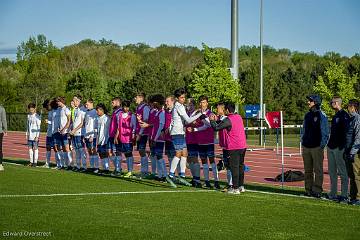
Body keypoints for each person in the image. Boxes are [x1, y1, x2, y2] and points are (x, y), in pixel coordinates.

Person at [167, 88, 202, 187]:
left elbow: (186, 121)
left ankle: (182, 175)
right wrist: (200, 113)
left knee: (185, 153)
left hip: (180, 132)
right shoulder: (179, 106)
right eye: (181, 97)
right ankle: (170, 174)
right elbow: (188, 120)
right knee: (178, 153)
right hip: (177, 132)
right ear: (177, 98)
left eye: (184, 97)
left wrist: (195, 113)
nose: (183, 99)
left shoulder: (180, 106)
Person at [209, 102, 247, 194]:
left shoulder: (229, 119)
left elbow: (216, 128)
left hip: (233, 147)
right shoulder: (238, 117)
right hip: (242, 145)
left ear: (226, 110)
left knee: (234, 167)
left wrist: (211, 120)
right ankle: (241, 186)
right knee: (240, 166)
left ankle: (235, 188)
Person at [301, 95, 329, 198]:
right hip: (306, 146)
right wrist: (303, 141)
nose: (308, 102)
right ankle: (308, 190)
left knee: (318, 170)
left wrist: (321, 145)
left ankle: (317, 190)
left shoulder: (321, 115)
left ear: (316, 102)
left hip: (317, 147)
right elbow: (304, 130)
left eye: (310, 101)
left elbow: (325, 132)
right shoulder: (307, 115)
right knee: (308, 170)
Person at [192, 95, 219, 189]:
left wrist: (197, 127)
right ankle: (207, 181)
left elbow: (209, 125)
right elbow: (193, 121)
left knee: (212, 161)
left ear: (207, 103)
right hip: (200, 141)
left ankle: (216, 181)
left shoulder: (210, 113)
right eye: (200, 102)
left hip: (209, 141)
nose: (201, 104)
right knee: (203, 162)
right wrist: (194, 124)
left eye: (203, 102)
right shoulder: (198, 113)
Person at [326, 96, 349, 202]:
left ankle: (344, 194)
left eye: (332, 102)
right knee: (332, 172)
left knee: (342, 172)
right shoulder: (335, 116)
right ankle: (333, 193)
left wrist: (342, 147)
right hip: (331, 146)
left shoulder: (344, 115)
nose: (331, 104)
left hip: (339, 148)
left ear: (336, 103)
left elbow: (346, 133)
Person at [344, 99, 360, 205]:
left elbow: (358, 137)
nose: (348, 109)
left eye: (348, 107)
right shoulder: (351, 118)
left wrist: (352, 151)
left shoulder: (357, 119)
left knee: (357, 175)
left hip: (355, 152)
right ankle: (353, 196)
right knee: (351, 175)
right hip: (349, 150)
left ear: (353, 107)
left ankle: (358, 197)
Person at [115, 100, 136, 178]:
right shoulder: (119, 115)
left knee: (128, 154)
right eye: (124, 106)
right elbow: (118, 127)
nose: (125, 108)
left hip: (128, 138)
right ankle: (119, 169)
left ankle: (130, 171)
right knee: (121, 153)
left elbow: (134, 127)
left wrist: (133, 136)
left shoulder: (132, 116)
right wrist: (116, 136)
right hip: (121, 137)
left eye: (127, 107)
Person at [185, 98, 202, 188]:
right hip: (188, 139)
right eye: (188, 104)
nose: (189, 106)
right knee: (190, 159)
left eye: (191, 104)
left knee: (194, 158)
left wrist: (195, 125)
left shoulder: (197, 113)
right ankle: (194, 178)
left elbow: (202, 124)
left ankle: (198, 179)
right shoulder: (187, 114)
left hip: (195, 139)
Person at [134, 93, 151, 177]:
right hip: (139, 132)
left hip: (144, 132)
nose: (135, 98)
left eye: (136, 97)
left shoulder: (145, 108)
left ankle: (145, 171)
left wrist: (140, 133)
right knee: (141, 151)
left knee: (142, 150)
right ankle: (143, 171)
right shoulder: (138, 108)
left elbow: (146, 120)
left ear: (141, 98)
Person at [70, 95, 87, 172]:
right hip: (74, 132)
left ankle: (84, 166)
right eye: (73, 100)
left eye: (75, 100)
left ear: (78, 101)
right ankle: (78, 166)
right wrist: (71, 129)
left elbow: (82, 123)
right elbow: (74, 121)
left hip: (80, 133)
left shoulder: (83, 109)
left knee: (81, 150)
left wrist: (74, 130)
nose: (73, 102)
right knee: (76, 150)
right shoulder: (75, 109)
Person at [55, 96, 73, 169]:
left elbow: (69, 121)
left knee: (67, 148)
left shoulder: (66, 109)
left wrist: (64, 129)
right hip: (61, 132)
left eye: (58, 101)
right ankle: (65, 165)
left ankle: (71, 164)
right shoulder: (60, 109)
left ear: (61, 101)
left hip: (65, 132)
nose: (57, 103)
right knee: (63, 148)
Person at [95, 103, 110, 174]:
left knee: (104, 153)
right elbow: (97, 130)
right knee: (101, 154)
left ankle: (106, 169)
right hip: (99, 140)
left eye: (97, 110)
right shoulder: (98, 118)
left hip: (105, 139)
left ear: (102, 110)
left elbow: (108, 130)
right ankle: (104, 168)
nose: (97, 112)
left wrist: (106, 139)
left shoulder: (106, 118)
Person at [84, 98, 99, 171]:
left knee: (94, 151)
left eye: (87, 104)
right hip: (86, 135)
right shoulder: (86, 112)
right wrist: (84, 135)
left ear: (91, 103)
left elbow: (96, 125)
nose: (86, 105)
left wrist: (92, 136)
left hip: (92, 136)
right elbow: (85, 125)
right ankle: (92, 166)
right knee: (89, 151)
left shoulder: (95, 112)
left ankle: (96, 167)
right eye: (85, 104)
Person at [109, 97, 122, 176]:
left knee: (117, 152)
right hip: (111, 135)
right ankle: (117, 168)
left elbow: (119, 126)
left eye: (113, 102)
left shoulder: (119, 112)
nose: (112, 104)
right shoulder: (115, 112)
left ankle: (118, 169)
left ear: (118, 102)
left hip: (116, 136)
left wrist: (116, 136)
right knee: (110, 152)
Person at [26, 103, 41, 167]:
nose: (31, 111)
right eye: (30, 110)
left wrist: (37, 136)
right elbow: (27, 126)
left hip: (35, 136)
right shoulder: (28, 116)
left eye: (32, 109)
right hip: (30, 136)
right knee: (30, 148)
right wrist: (26, 134)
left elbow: (38, 127)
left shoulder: (37, 116)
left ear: (35, 109)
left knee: (35, 148)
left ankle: (35, 162)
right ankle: (31, 162)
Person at [42, 99, 56, 168]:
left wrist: (48, 122)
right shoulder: (50, 112)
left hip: (54, 133)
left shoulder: (55, 111)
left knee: (56, 148)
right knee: (48, 148)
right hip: (49, 133)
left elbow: (55, 122)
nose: (46, 109)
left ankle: (58, 164)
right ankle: (47, 163)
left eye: (47, 107)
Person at [0, 104, 7, 171]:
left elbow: (4, 120)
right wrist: (5, 130)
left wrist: (5, 129)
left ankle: (0, 164)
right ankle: (0, 164)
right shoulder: (2, 108)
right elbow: (4, 120)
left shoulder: (2, 108)